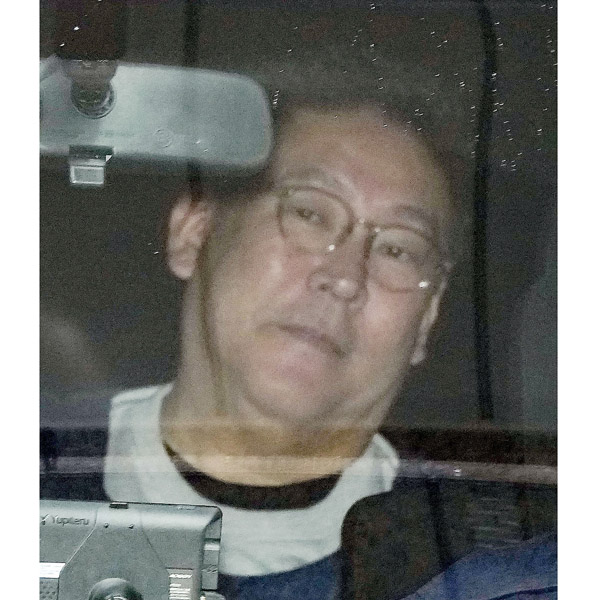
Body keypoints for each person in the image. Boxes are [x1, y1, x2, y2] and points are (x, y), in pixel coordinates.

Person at [40, 100, 555, 599]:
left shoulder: (507, 569)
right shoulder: (40, 466)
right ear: (194, 232)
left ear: (427, 319)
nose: (345, 277)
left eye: (398, 249)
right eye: (310, 213)